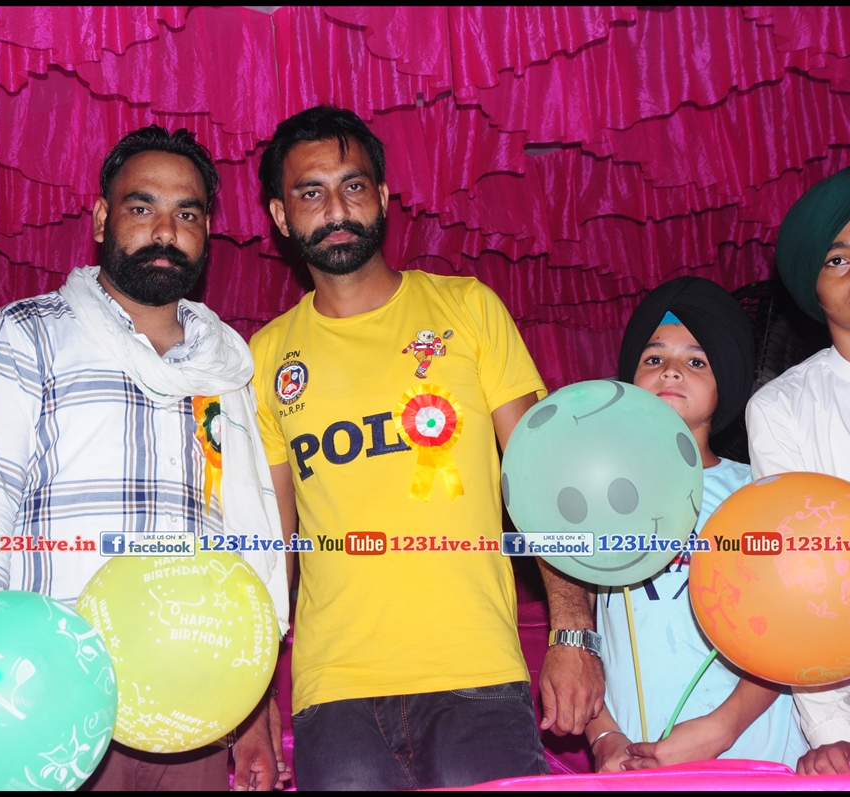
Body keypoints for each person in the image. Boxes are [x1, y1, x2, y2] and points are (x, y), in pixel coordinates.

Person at [0, 126, 291, 791]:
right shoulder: (27, 334)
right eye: (142, 207)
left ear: (207, 233)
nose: (165, 231)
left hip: (193, 704)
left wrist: (252, 708)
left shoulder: (228, 369)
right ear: (100, 219)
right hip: (49, 698)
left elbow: (246, 544)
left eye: (188, 214)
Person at [249, 105, 603, 790]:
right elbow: (273, 544)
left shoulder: (468, 308)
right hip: (335, 692)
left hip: (478, 674)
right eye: (311, 193)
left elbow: (542, 477)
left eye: (353, 186)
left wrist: (573, 631)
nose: (336, 209)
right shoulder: (264, 357)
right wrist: (255, 696)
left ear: (383, 197)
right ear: (281, 216)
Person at [584, 277, 809, 771]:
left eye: (696, 361)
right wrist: (604, 736)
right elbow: (581, 633)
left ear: (727, 378)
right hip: (635, 761)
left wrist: (722, 727)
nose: (671, 371)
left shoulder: (759, 488)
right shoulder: (590, 495)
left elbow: (796, 628)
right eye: (653, 358)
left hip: (755, 756)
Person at [746, 164, 850, 775]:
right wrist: (834, 732)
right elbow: (799, 575)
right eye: (837, 259)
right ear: (813, 282)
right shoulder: (782, 408)